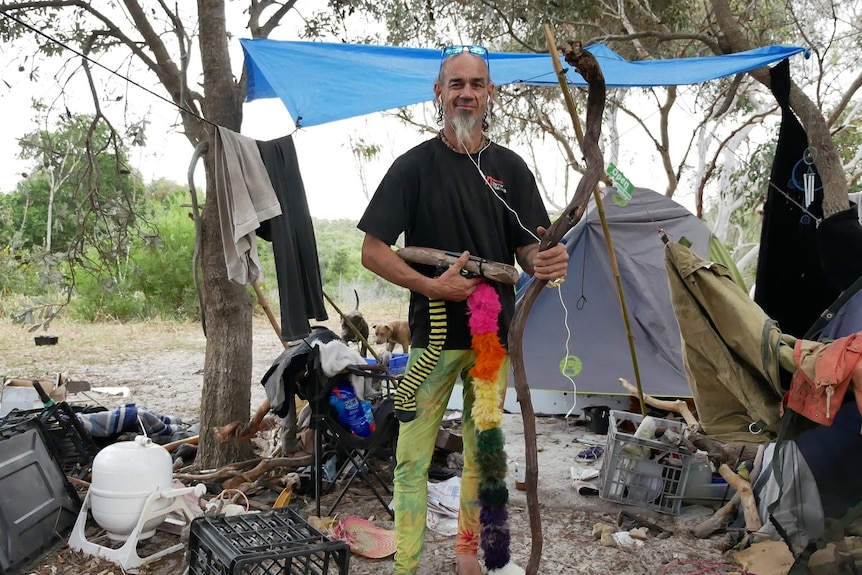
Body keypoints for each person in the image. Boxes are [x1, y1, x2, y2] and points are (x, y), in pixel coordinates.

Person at [357, 44, 569, 575]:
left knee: (484, 456)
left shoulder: (511, 169)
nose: (467, 93)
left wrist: (547, 258)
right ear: (439, 92)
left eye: (477, 84)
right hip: (430, 342)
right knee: (410, 458)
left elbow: (526, 247)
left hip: (490, 343)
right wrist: (433, 288)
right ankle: (407, 562)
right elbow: (373, 250)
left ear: (490, 93)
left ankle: (469, 556)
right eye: (457, 84)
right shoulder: (413, 167)